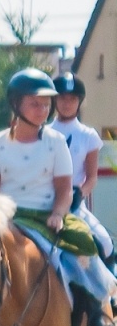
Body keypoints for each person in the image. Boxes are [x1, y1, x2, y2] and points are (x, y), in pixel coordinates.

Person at [0, 68, 116, 326]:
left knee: (85, 244)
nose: (43, 109)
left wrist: (58, 213)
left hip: (46, 214)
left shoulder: (56, 142)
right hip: (7, 216)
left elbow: (65, 191)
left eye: (46, 104)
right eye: (35, 103)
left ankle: (97, 309)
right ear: (16, 104)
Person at [49, 72, 114, 261]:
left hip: (75, 204)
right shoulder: (44, 132)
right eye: (62, 98)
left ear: (79, 102)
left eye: (72, 99)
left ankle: (110, 287)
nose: (67, 103)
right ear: (55, 100)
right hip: (44, 200)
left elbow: (92, 177)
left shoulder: (88, 135)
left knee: (106, 244)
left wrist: (80, 193)